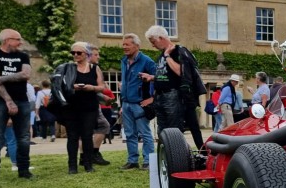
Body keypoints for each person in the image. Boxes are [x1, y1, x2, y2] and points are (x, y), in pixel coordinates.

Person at [142, 25, 205, 149]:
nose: (153, 46)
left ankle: (180, 156)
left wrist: (167, 56)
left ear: (161, 38)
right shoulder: (161, 56)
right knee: (162, 132)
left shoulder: (178, 51)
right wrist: (152, 77)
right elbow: (168, 76)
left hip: (174, 97)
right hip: (161, 98)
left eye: (153, 42)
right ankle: (167, 157)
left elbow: (182, 72)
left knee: (174, 131)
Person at [0, 29, 33, 184]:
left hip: (23, 101)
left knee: (24, 138)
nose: (20, 42)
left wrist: (1, 78)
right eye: (18, 39)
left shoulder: (23, 56)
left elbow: (26, 74)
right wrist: (8, 101)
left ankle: (24, 171)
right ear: (7, 40)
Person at [61, 42, 105, 174]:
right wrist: (72, 87)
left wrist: (91, 88)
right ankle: (72, 166)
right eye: (73, 53)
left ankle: (88, 164)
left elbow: (102, 86)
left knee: (87, 136)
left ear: (86, 54)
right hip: (71, 106)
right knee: (72, 137)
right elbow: (61, 86)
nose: (75, 55)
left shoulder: (94, 68)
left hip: (89, 107)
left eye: (78, 53)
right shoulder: (68, 68)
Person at [119, 33, 156, 170]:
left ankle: (148, 161)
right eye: (123, 44)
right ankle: (132, 161)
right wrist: (122, 101)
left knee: (145, 133)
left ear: (136, 46)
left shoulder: (147, 61)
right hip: (126, 103)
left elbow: (159, 78)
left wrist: (152, 99)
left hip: (140, 104)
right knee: (129, 134)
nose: (124, 47)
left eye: (127, 44)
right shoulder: (123, 61)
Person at [82, 44, 112, 166]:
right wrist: (103, 97)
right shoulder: (92, 68)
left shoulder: (77, 67)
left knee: (82, 131)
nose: (98, 57)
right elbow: (90, 89)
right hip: (89, 104)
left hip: (79, 104)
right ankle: (94, 154)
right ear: (88, 55)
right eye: (96, 54)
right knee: (104, 126)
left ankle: (83, 157)